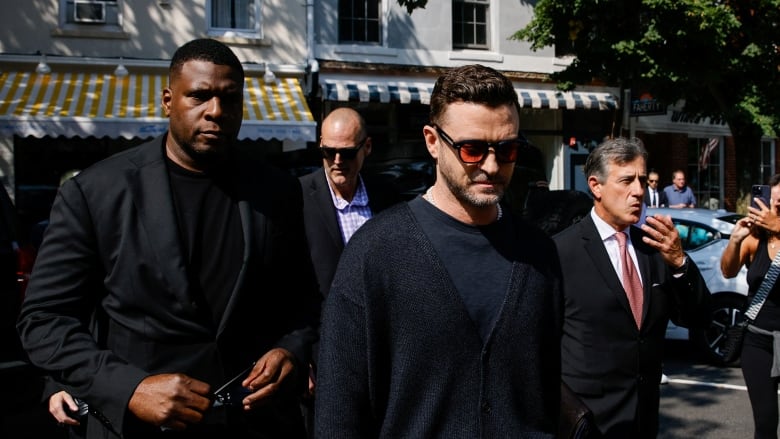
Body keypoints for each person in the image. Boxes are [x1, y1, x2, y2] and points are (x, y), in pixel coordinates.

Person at [17, 38, 320, 438]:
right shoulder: (97, 193)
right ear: (167, 100)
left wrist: (293, 352)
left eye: (230, 99)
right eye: (199, 96)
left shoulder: (277, 190)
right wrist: (129, 388)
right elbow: (44, 320)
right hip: (138, 429)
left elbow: (303, 303)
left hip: (255, 425)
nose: (216, 111)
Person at [314, 64, 563, 437]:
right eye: (472, 149)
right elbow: (339, 412)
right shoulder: (376, 251)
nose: (491, 166)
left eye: (508, 149)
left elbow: (547, 393)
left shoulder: (539, 254)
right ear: (432, 141)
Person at [553, 137, 710, 438]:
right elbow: (537, 349)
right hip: (584, 424)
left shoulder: (654, 249)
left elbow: (697, 318)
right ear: (596, 186)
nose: (639, 190)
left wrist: (679, 262)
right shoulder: (560, 252)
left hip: (644, 420)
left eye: (641, 179)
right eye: (626, 180)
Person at [299, 107, 401, 298]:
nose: (337, 161)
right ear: (321, 144)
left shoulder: (386, 196)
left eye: (347, 153)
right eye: (329, 151)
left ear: (367, 147)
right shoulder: (299, 197)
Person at [721, 173, 780, 439]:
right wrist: (735, 240)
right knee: (765, 424)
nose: (773, 208)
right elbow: (728, 271)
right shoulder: (755, 238)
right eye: (772, 202)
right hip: (758, 341)